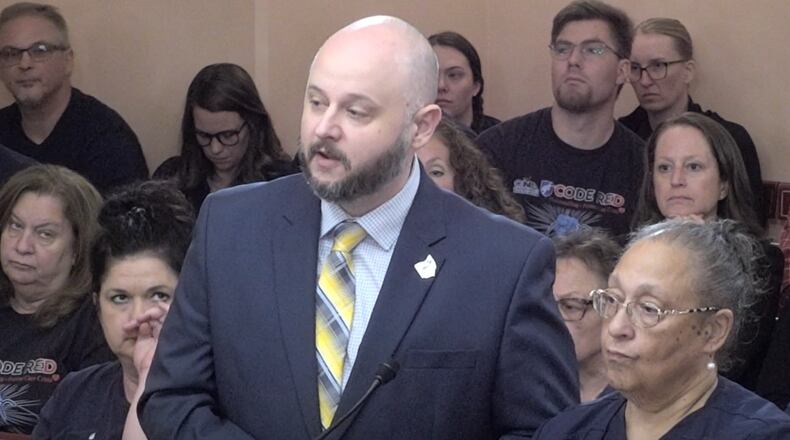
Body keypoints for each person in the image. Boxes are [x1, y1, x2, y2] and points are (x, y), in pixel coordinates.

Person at [139, 15, 577, 439]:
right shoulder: (230, 227)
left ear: (420, 127)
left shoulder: (505, 262)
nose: (325, 128)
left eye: (356, 111)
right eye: (316, 102)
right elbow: (171, 399)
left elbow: (544, 432)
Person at [534, 219, 790, 439]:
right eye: (613, 299)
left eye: (648, 308)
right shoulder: (568, 430)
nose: (617, 327)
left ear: (713, 331)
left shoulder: (764, 435)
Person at [32, 181, 195, 440]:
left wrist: (148, 379)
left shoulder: (219, 402)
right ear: (97, 306)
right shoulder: (74, 393)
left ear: (190, 300)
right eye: (120, 298)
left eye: (158, 295)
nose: (138, 316)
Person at [633, 112, 782, 393]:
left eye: (693, 167)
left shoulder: (761, 261)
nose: (676, 180)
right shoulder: (629, 255)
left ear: (724, 184)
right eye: (664, 168)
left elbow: (732, 363)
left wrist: (696, 253)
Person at [476, 0, 644, 240]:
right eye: (563, 49)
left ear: (622, 71)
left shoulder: (641, 166)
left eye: (593, 49)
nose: (573, 60)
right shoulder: (497, 149)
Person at [619, 18, 765, 225]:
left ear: (688, 71)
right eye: (635, 68)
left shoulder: (729, 138)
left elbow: (751, 227)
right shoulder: (622, 137)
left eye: (658, 66)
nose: (644, 80)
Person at [0, 164, 111, 435]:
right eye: (15, 226)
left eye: (44, 233)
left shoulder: (95, 322)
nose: (22, 246)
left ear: (77, 249)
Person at [0, 2, 148, 193]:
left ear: (68, 60)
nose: (24, 64)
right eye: (10, 54)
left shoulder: (108, 139)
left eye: (40, 50)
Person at [153, 63, 296, 212]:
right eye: (204, 135)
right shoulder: (171, 178)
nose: (215, 149)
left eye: (228, 135)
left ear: (253, 125)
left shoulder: (281, 183)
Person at [552, 228, 621, 402]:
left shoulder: (640, 396)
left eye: (571, 306)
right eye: (546, 304)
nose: (554, 318)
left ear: (611, 305)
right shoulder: (522, 384)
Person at [417, 117, 525, 222]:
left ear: (462, 179)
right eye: (410, 170)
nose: (420, 181)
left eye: (436, 173)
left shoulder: (490, 235)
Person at [428, 31, 500, 134]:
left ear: (476, 86)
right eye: (433, 75)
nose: (441, 85)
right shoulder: (406, 138)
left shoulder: (499, 138)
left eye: (454, 75)